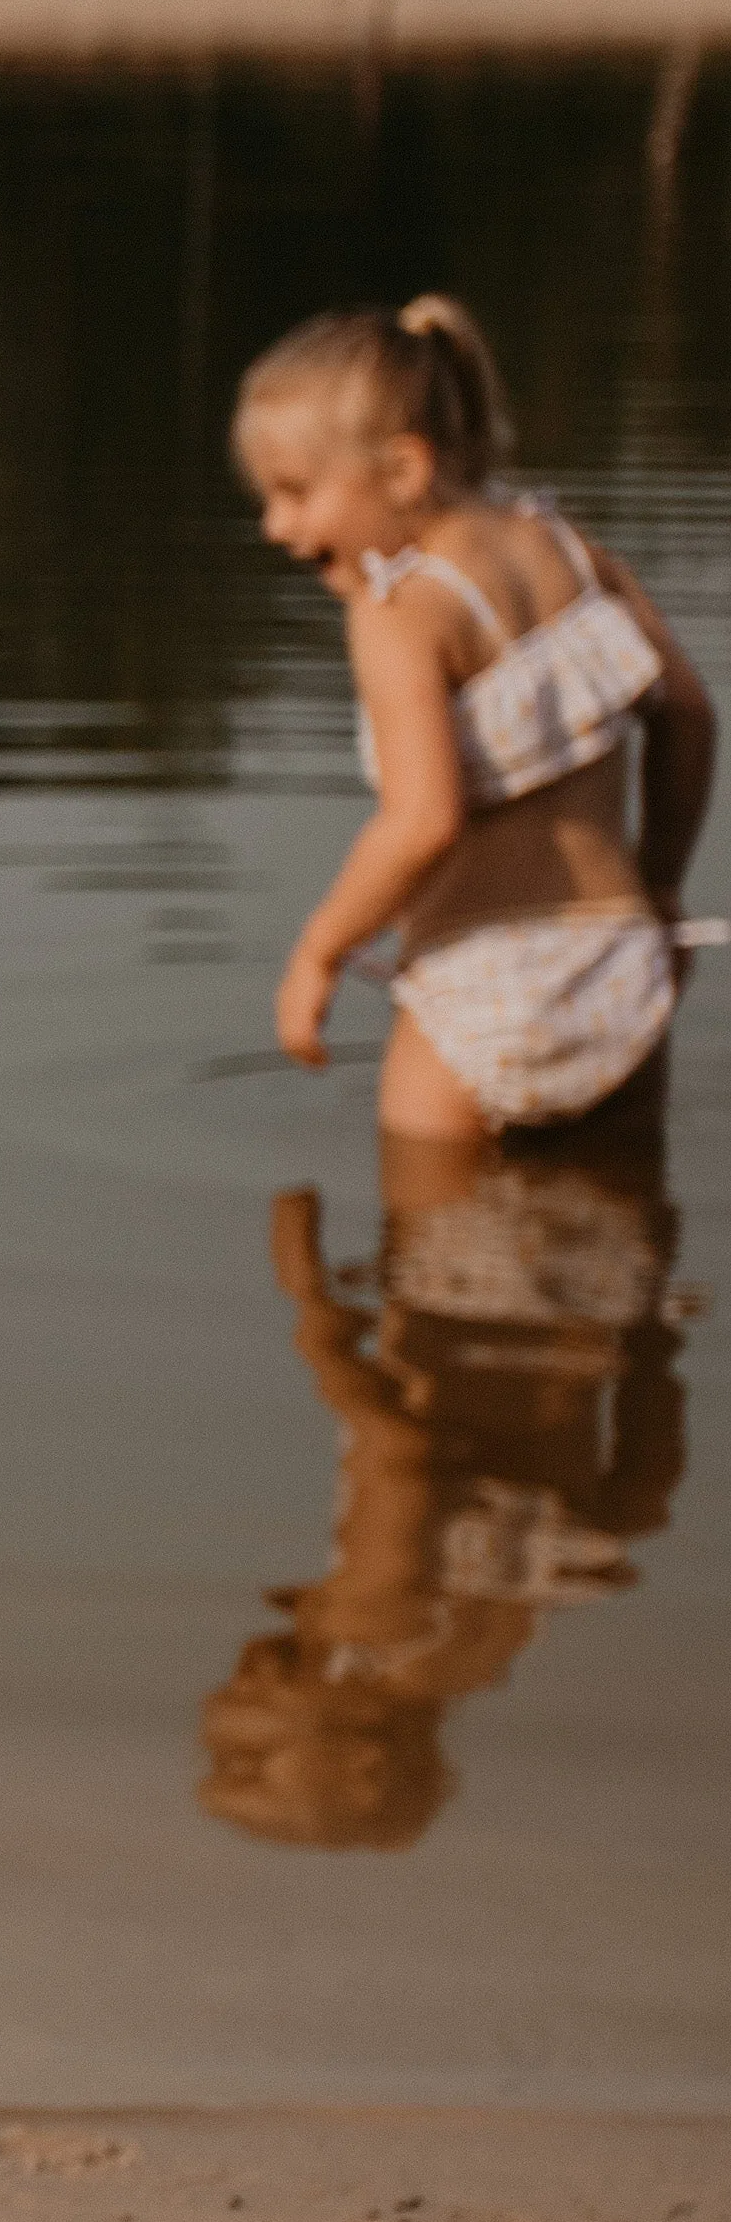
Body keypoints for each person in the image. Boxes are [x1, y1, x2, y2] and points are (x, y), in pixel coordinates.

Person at [233, 292, 715, 1139]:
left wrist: (318, 949)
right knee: (622, 1239)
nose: (275, 525)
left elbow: (423, 822)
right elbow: (686, 714)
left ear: (402, 472)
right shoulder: (567, 548)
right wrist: (664, 883)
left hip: (482, 989)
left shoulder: (399, 610)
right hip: (621, 968)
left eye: (295, 492)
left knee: (424, 1253)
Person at [195, 1136, 691, 1851]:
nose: (217, 1719)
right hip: (466, 1273)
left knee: (594, 1130)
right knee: (441, 1114)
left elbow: (640, 1504)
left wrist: (651, 1348)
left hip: (597, 1281)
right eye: (247, 1760)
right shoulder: (369, 1629)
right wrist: (314, 1321)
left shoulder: (487, 1649)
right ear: (365, 1758)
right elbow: (401, 1456)